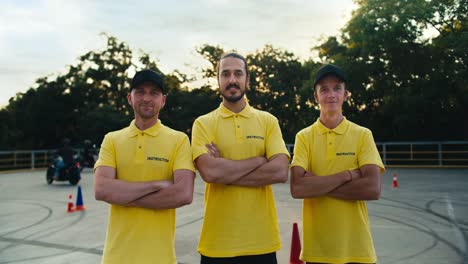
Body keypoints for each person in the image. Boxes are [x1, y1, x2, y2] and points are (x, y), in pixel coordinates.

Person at [191, 52, 290, 264]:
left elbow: (280, 171)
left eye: (238, 73)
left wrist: (224, 172)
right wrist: (259, 161)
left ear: (247, 79)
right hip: (216, 244)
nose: (232, 80)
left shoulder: (267, 121)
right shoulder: (203, 123)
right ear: (217, 79)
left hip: (262, 243)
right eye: (225, 74)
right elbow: (210, 172)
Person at [94, 69, 196, 264]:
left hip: (161, 258)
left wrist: (124, 196)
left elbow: (183, 194)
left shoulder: (179, 140)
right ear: (129, 98)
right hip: (116, 258)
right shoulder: (112, 140)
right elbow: (101, 190)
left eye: (154, 93)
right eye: (140, 91)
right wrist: (155, 186)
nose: (146, 98)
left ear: (163, 100)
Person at [290, 64, 385, 264]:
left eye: (337, 88)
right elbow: (298, 188)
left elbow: (372, 189)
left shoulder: (362, 135)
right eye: (324, 89)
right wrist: (348, 175)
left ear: (346, 94)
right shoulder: (304, 137)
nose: (331, 94)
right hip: (317, 251)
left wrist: (316, 184)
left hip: (357, 250)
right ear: (315, 97)